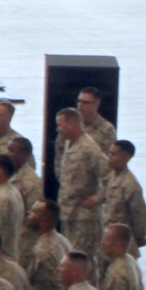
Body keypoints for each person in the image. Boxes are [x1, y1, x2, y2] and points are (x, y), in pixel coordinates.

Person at [55, 108, 105, 256]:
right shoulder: (68, 144)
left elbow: (110, 175)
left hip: (84, 220)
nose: (58, 129)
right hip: (69, 215)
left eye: (60, 125)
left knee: (81, 259)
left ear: (72, 124)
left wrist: (97, 198)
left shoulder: (89, 148)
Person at [100, 140, 146, 261]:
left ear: (126, 157)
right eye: (110, 153)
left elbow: (140, 215)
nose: (109, 158)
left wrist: (139, 238)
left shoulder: (130, 185)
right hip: (109, 240)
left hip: (123, 244)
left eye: (114, 154)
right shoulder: (113, 177)